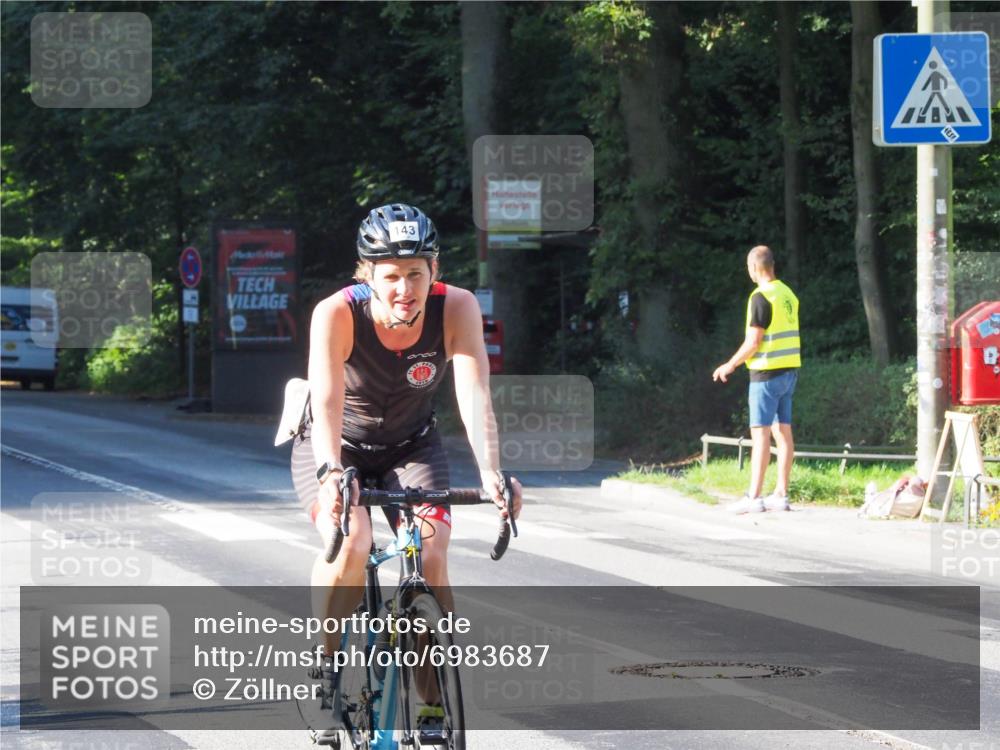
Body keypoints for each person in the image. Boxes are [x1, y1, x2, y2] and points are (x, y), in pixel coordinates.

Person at [290, 202, 522, 735]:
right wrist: (331, 474)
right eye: (390, 276)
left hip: (411, 446)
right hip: (335, 445)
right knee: (350, 544)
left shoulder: (456, 308)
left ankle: (432, 700)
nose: (404, 288)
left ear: (434, 271)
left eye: (416, 273)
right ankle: (324, 673)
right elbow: (324, 400)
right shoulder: (337, 313)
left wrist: (492, 471)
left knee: (432, 552)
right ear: (366, 275)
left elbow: (473, 391)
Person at [712, 245, 801, 514]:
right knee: (783, 432)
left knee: (760, 435)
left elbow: (754, 341)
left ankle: (754, 496)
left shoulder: (760, 297)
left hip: (766, 375)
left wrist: (730, 364)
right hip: (789, 372)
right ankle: (781, 494)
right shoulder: (788, 294)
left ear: (753, 268)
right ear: (772, 265)